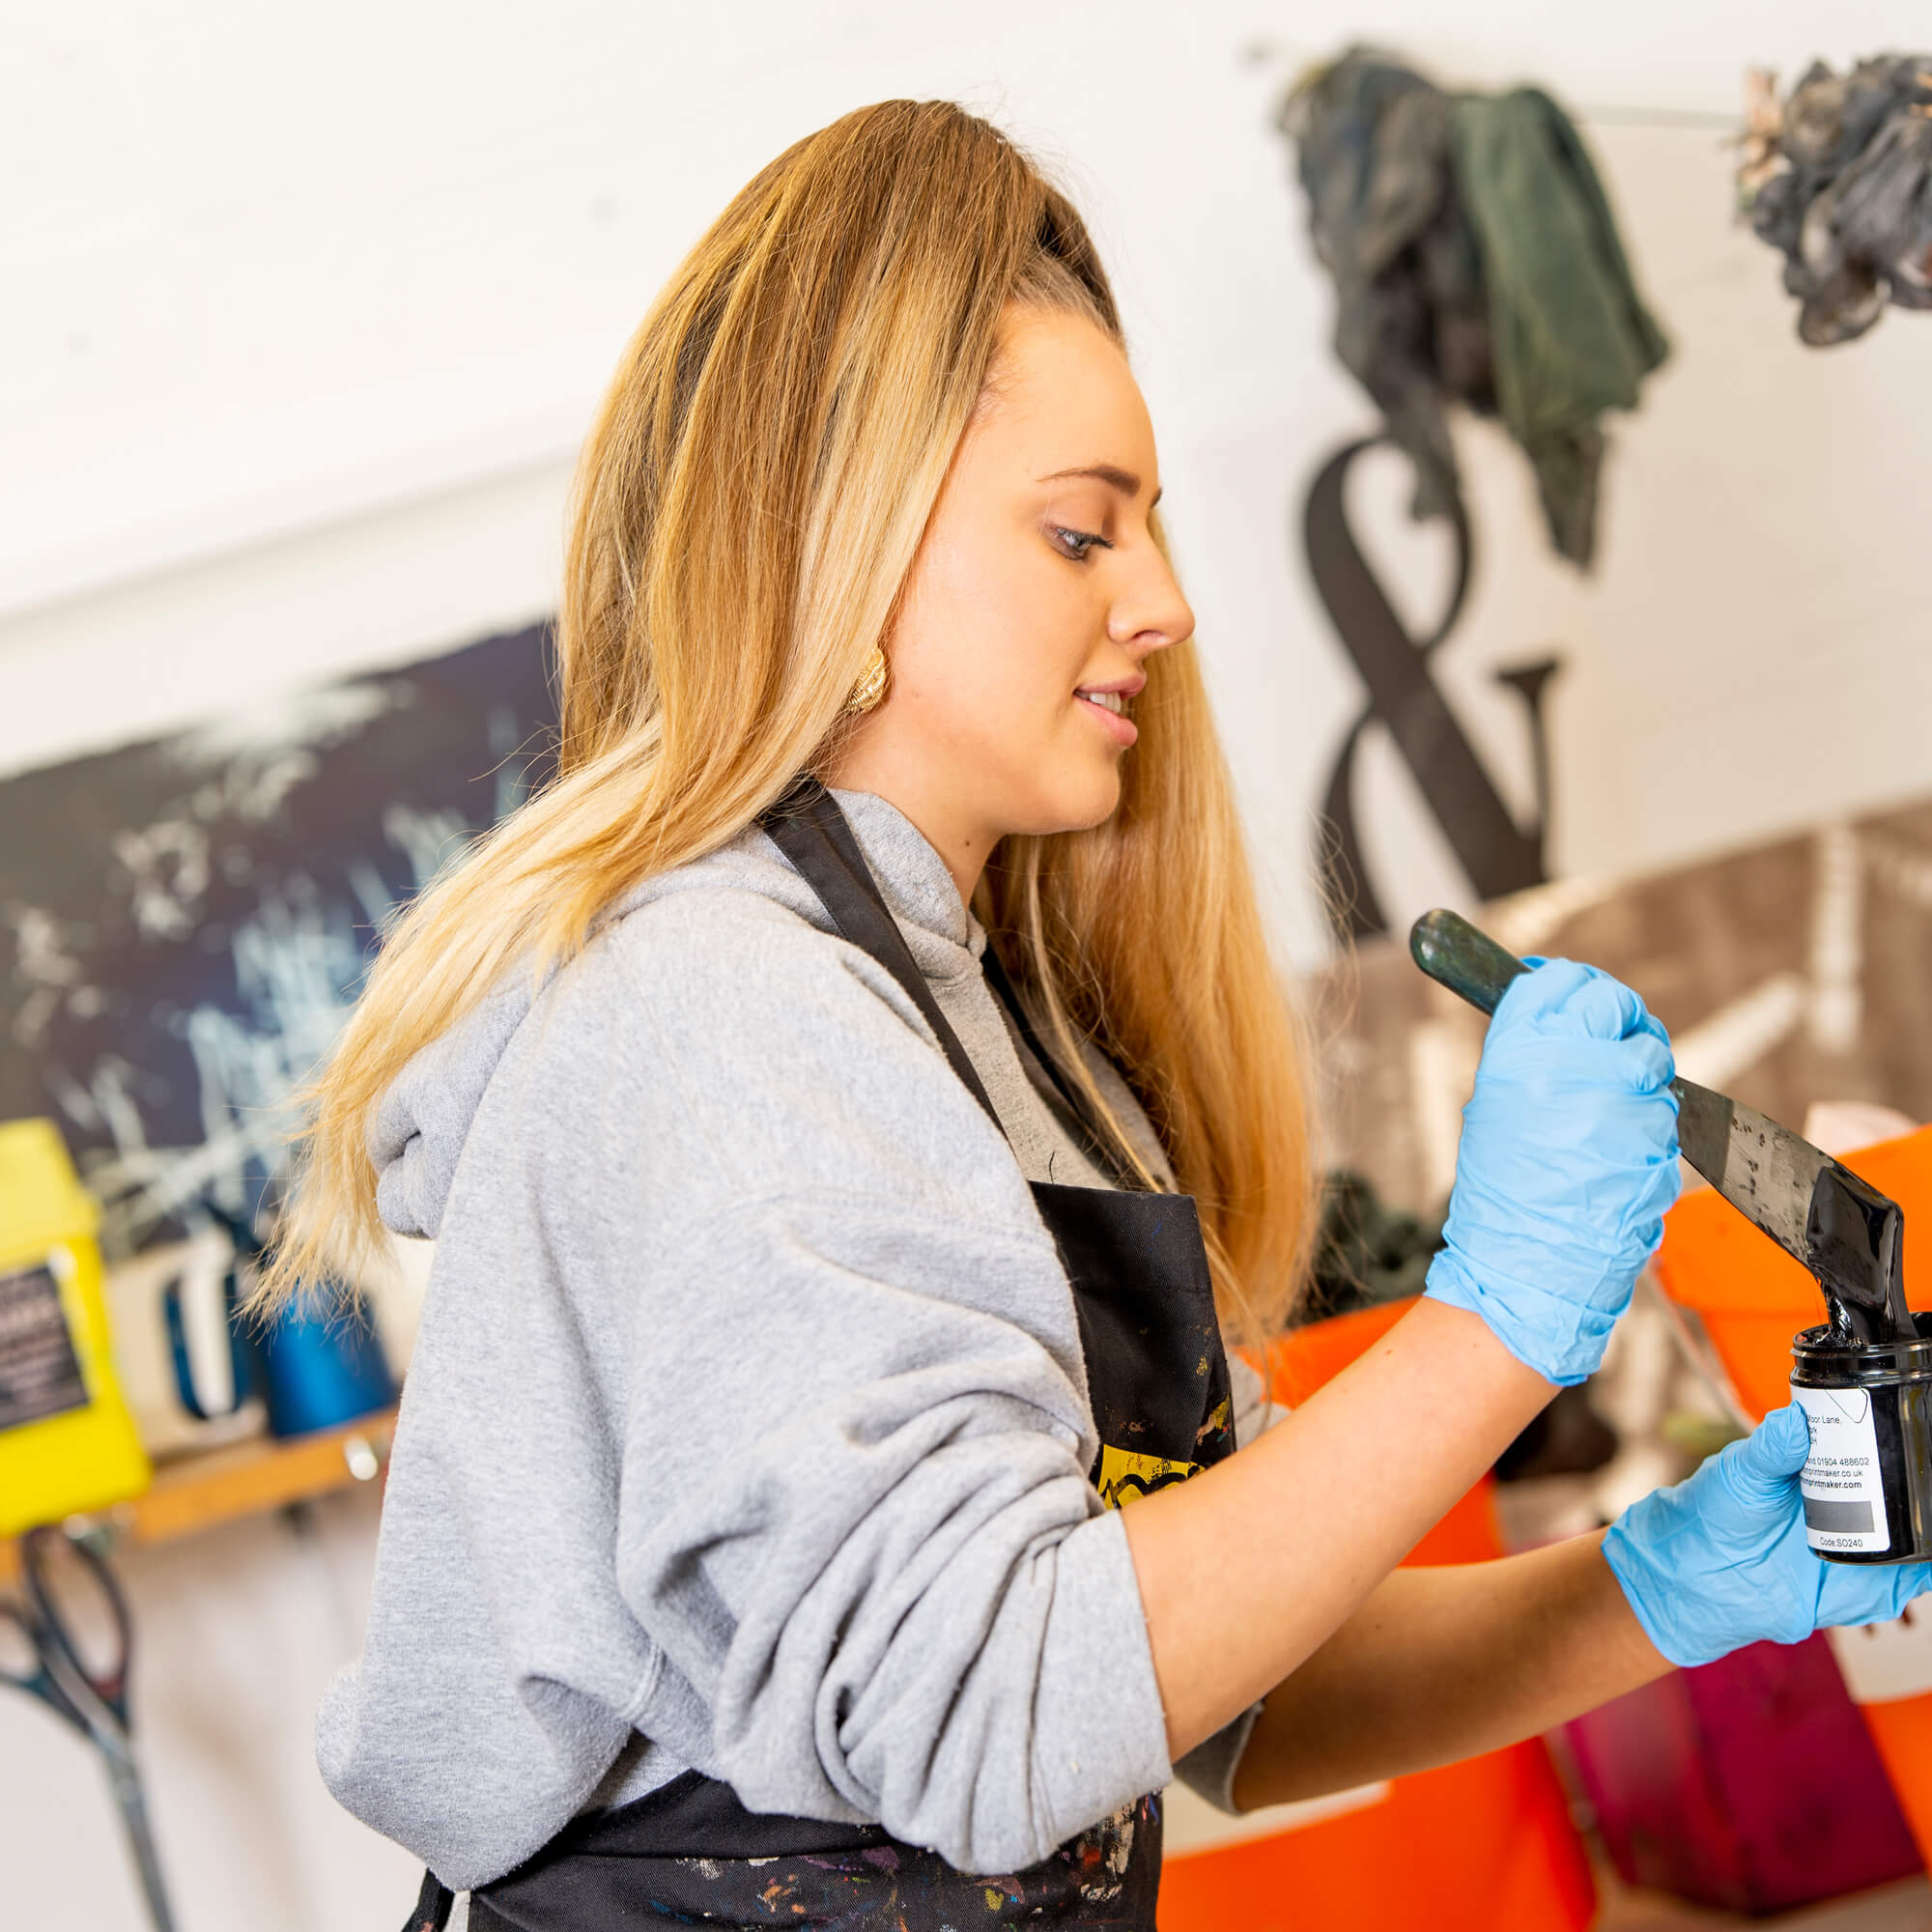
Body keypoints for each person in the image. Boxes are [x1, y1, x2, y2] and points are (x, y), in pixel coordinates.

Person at [261, 99, 1932, 1931]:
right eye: (1081, 534)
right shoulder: (717, 1008)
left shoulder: (990, 1029)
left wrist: (1661, 1584)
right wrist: (1497, 1323)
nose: (1168, 602)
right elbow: (985, 1720)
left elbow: (1212, 1691)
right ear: (846, 538)